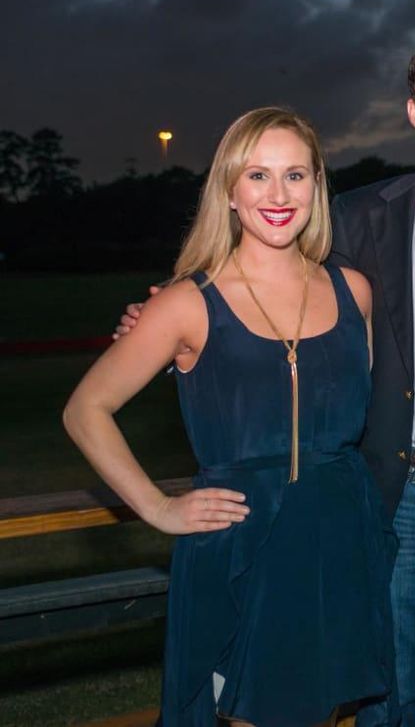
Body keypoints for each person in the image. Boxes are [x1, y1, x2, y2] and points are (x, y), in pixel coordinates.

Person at [116, 34, 415, 726]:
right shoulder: (358, 216)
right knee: (384, 701)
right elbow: (272, 288)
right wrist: (166, 322)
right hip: (397, 496)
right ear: (413, 111)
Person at [67, 107, 394, 726]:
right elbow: (86, 409)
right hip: (244, 540)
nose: (278, 195)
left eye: (295, 175)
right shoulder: (187, 302)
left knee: (323, 712)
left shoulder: (354, 290)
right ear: (228, 191)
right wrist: (157, 507)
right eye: (258, 175)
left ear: (317, 185)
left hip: (340, 535)